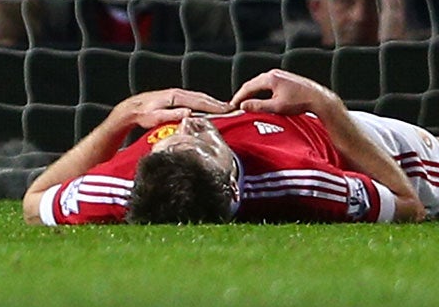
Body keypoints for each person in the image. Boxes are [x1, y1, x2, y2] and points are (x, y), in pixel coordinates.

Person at [23, 69, 427, 225]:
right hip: (356, 140)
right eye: (201, 145)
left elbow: (34, 202)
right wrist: (324, 104)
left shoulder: (114, 190)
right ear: (233, 185)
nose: (191, 123)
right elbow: (408, 204)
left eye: (167, 144)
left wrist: (124, 116)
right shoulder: (301, 183)